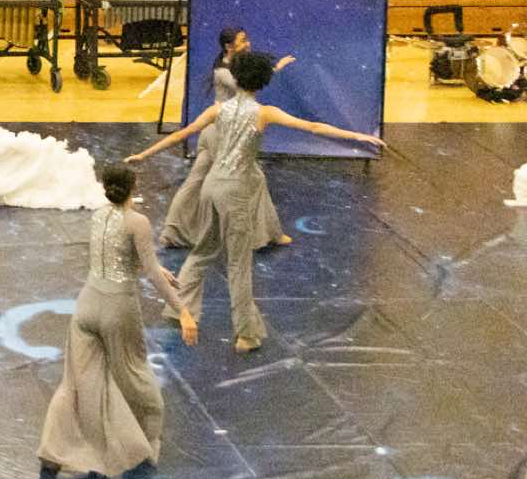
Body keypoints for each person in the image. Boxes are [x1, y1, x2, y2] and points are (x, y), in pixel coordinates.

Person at [129, 50, 383, 353]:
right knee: (239, 264)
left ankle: (178, 308)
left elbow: (181, 135)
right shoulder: (265, 113)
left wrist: (143, 155)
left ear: (236, 77)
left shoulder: (218, 110)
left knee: (203, 251)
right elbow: (313, 127)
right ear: (262, 81)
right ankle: (246, 334)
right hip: (235, 192)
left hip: (211, 187)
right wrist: (359, 137)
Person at [38, 164, 197, 479]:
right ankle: (140, 448)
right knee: (135, 377)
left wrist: (154, 267)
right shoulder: (138, 222)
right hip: (117, 309)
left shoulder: (98, 215)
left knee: (76, 384)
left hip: (86, 305)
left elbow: (114, 257)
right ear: (134, 186)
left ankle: (53, 453)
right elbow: (149, 272)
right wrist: (183, 311)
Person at [158, 26, 297, 249]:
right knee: (255, 179)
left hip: (215, 133)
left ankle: (172, 232)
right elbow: (247, 83)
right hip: (221, 135)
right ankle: (270, 234)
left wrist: (275, 68)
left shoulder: (234, 65)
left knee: (196, 181)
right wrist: (273, 69)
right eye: (242, 41)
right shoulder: (224, 72)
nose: (248, 43)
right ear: (229, 46)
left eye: (246, 39)